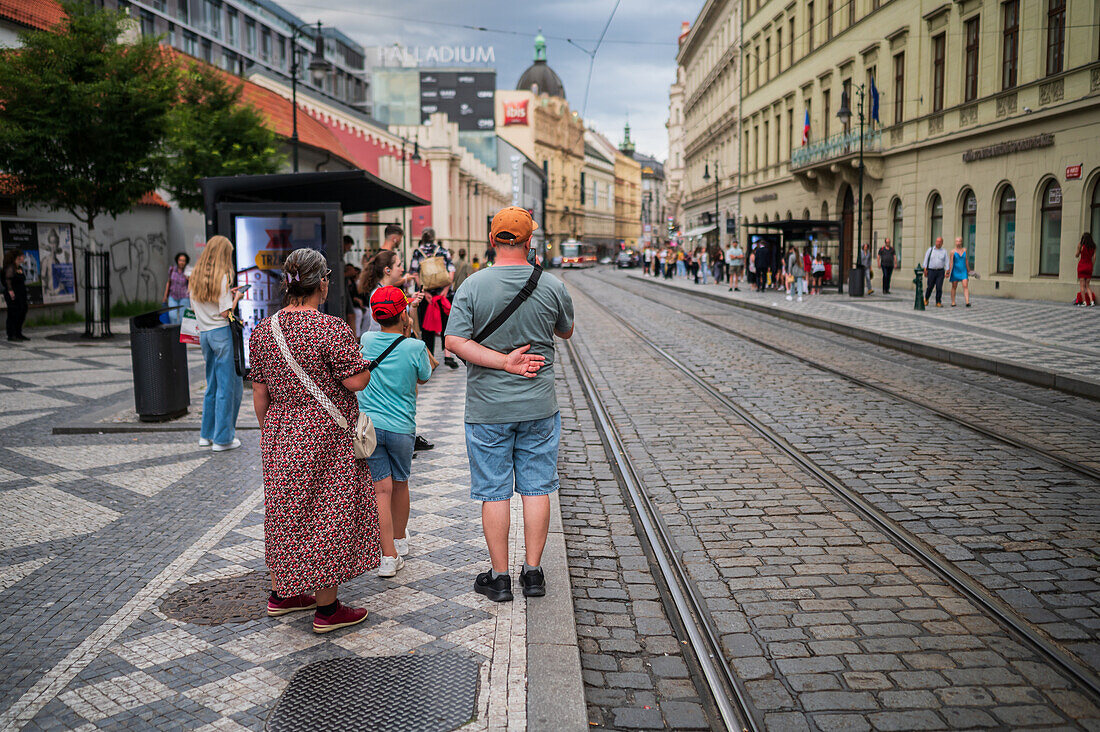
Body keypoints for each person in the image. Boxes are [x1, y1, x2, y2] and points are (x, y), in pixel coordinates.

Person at [445, 206, 572, 603]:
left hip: (488, 409)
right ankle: (532, 575)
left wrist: (501, 361)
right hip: (537, 405)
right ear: (529, 241)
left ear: (491, 240)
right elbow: (565, 331)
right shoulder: (551, 285)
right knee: (537, 488)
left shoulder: (471, 286)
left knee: (494, 492)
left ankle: (499, 579)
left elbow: (454, 342)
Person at [249, 248, 378, 633]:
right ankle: (328, 609)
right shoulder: (331, 328)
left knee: (286, 513)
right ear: (321, 282)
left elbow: (260, 393)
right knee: (326, 515)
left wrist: (269, 434)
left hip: (279, 431)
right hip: (324, 436)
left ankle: (283, 595)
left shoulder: (263, 331)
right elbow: (356, 381)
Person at [358, 286, 436, 578]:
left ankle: (387, 556)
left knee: (381, 489)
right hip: (403, 428)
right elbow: (425, 376)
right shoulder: (414, 347)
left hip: (370, 429)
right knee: (401, 483)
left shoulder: (366, 339)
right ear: (403, 313)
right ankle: (400, 541)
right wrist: (410, 332)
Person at [189, 235, 245, 451]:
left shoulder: (195, 275)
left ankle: (206, 435)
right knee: (229, 387)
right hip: (221, 334)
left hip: (205, 334)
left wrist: (226, 297)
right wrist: (237, 298)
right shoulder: (222, 276)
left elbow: (196, 308)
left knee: (212, 385)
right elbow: (224, 312)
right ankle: (223, 439)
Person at [409, 228, 458, 368]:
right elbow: (451, 271)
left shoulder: (418, 252)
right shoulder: (443, 251)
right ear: (434, 238)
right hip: (444, 296)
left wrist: (424, 291)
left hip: (427, 296)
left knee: (427, 327)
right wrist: (445, 290)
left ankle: (430, 358)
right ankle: (447, 355)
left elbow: (415, 274)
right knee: (446, 325)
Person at [2, 250, 29, 342]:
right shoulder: (11, 267)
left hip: (21, 294)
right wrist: (11, 292)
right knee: (13, 313)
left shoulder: (19, 267)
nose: (24, 258)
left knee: (22, 312)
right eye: (22, 256)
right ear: (18, 257)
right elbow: (8, 280)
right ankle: (11, 334)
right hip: (13, 294)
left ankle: (18, 333)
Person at [161, 252, 192, 325]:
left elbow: (192, 285)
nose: (181, 262)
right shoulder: (172, 269)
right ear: (177, 261)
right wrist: (165, 296)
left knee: (182, 318)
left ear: (186, 262)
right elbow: (169, 282)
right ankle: (174, 332)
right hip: (173, 296)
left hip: (184, 297)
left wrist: (189, 279)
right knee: (172, 316)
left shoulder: (188, 271)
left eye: (183, 261)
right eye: (180, 260)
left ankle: (180, 333)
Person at [922, 236, 948, 308]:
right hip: (931, 271)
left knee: (939, 287)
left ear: (942, 243)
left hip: (940, 271)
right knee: (930, 286)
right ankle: (926, 299)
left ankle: (938, 301)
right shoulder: (930, 250)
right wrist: (925, 269)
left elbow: (946, 261)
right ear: (935, 242)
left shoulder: (944, 251)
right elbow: (926, 260)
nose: (938, 243)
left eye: (940, 242)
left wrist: (948, 270)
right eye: (937, 241)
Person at [949, 237, 971, 307]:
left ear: (961, 242)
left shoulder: (965, 250)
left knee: (965, 286)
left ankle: (967, 301)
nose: (958, 243)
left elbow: (966, 260)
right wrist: (949, 271)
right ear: (955, 242)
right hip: (956, 270)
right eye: (957, 241)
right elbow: (951, 262)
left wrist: (968, 270)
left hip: (963, 270)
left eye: (959, 241)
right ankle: (953, 302)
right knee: (954, 286)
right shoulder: (952, 251)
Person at [1077, 233, 1096, 307]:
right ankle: (1092, 302)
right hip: (1089, 266)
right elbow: (1094, 258)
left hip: (1082, 265)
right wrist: (1092, 266)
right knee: (1088, 286)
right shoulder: (1093, 247)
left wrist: (1078, 250)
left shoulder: (1081, 246)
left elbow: (1077, 255)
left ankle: (1084, 302)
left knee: (1082, 286)